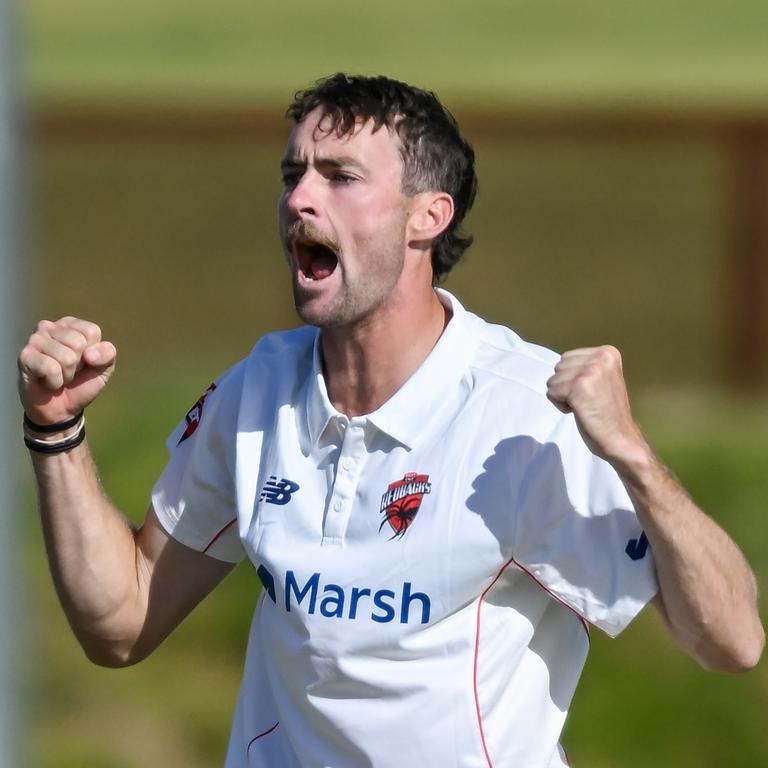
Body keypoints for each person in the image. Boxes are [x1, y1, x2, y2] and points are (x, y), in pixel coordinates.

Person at [18, 74, 764, 767]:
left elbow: (732, 641)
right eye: (293, 175)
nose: (300, 199)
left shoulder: (525, 413)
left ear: (428, 215)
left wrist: (632, 455)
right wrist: (57, 432)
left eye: (339, 176)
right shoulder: (258, 391)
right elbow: (121, 624)